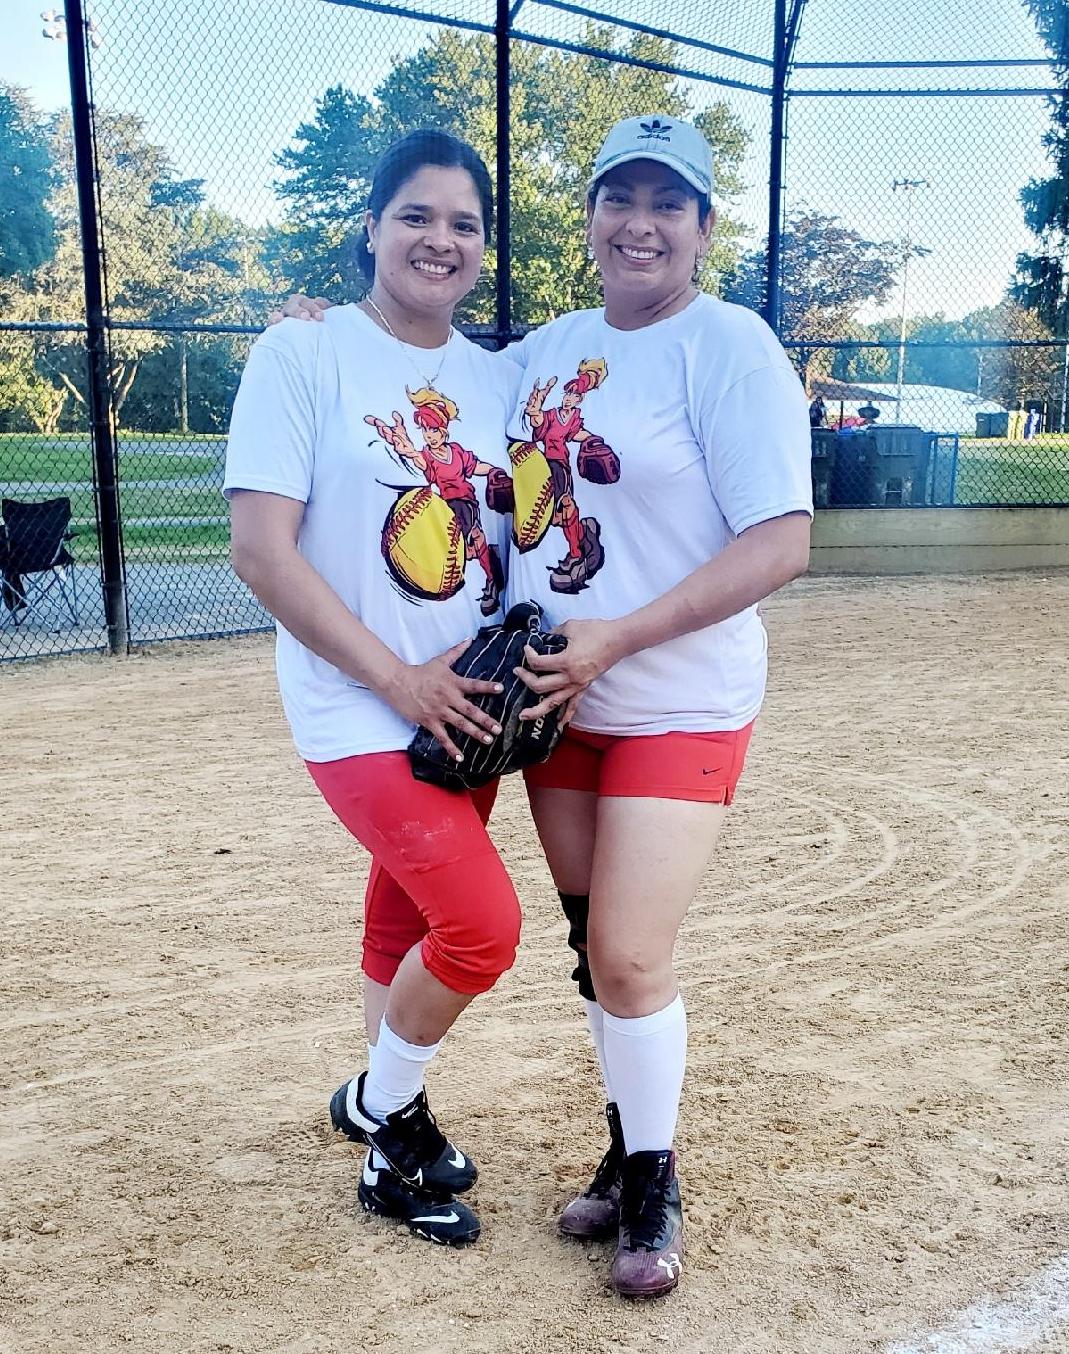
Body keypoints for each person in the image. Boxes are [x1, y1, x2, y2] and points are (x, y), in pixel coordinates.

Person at [277, 113, 813, 1300]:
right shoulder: (541, 351)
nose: (639, 223)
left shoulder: (730, 346)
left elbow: (782, 539)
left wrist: (618, 633)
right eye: (617, 198)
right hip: (557, 707)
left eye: (667, 203)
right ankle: (619, 1155)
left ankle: (653, 1174)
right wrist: (313, 325)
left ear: (702, 228)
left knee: (628, 954)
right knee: (590, 948)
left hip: (674, 696)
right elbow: (421, 362)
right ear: (588, 221)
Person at [225, 129, 525, 1249]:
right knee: (481, 927)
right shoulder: (301, 358)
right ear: (370, 226)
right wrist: (394, 676)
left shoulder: (500, 376)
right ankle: (383, 1118)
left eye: (462, 223)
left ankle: (386, 1111)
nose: (439, 239)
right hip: (359, 699)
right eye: (416, 215)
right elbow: (262, 552)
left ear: (483, 246)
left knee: (405, 912)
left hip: (466, 704)